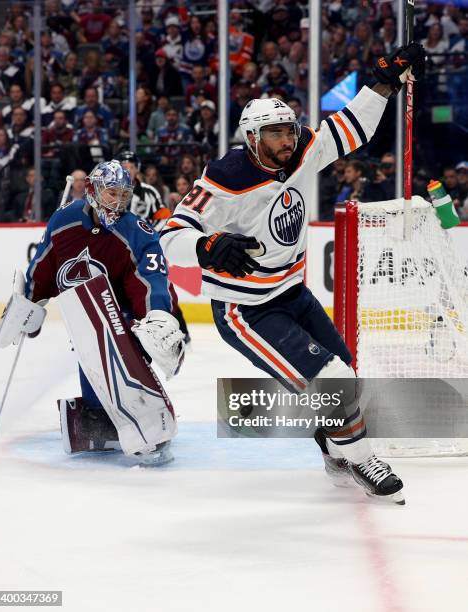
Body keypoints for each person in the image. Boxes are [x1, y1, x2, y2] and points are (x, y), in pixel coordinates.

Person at [160, 43, 426, 504]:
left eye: (289, 129)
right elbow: (169, 236)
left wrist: (383, 81)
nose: (287, 139)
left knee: (346, 378)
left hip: (292, 294)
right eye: (276, 133)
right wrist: (206, 245)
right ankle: (361, 457)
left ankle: (335, 452)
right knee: (333, 380)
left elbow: (352, 128)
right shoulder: (224, 178)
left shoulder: (303, 149)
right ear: (252, 137)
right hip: (247, 311)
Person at [16, 160, 184, 462]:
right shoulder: (63, 221)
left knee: (121, 354)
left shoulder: (137, 230)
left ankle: (141, 416)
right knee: (92, 350)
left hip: (128, 314)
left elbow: (151, 278)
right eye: (111, 194)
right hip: (86, 315)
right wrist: (28, 301)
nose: (118, 203)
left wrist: (156, 314)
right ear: (92, 190)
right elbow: (42, 265)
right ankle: (97, 418)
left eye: (123, 195)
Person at [118, 150, 191, 345]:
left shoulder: (149, 192)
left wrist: (149, 236)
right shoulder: (114, 191)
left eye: (131, 167)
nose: (128, 170)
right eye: (124, 167)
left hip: (147, 250)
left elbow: (164, 215)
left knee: (160, 287)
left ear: (137, 169)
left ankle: (182, 331)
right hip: (122, 251)